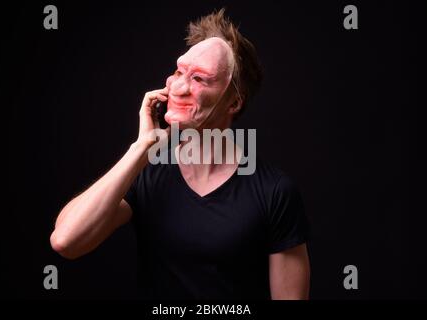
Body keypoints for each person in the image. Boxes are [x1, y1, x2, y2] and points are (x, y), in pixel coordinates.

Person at [50, 8, 311, 300]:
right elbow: (66, 240)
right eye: (178, 72)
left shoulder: (274, 192)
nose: (179, 86)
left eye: (199, 79)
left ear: (234, 102)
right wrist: (141, 148)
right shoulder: (146, 173)